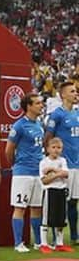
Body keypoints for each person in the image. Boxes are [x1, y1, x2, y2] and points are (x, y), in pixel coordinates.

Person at [5, 92, 45, 253]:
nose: (41, 105)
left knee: (36, 207)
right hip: (23, 172)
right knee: (20, 206)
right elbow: (9, 149)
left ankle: (37, 242)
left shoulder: (39, 125)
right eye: (38, 103)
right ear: (28, 106)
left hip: (38, 172)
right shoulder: (19, 125)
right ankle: (18, 243)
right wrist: (16, 164)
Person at [43, 79, 79, 246]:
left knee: (74, 200)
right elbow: (48, 137)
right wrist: (51, 159)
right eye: (72, 91)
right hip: (64, 165)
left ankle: (73, 235)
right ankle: (58, 236)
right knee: (62, 201)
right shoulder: (57, 115)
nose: (75, 93)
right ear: (63, 95)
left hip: (77, 163)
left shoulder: (77, 113)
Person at [38, 135, 70, 253]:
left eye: (59, 147)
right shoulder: (44, 162)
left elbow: (66, 174)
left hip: (61, 190)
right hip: (49, 191)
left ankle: (59, 243)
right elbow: (44, 180)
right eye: (54, 147)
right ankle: (44, 243)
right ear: (48, 149)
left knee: (60, 217)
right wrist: (58, 173)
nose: (56, 150)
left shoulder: (63, 161)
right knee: (47, 218)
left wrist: (53, 172)